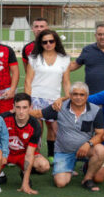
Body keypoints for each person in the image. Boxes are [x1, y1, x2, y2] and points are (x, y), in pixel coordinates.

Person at [31, 82, 104, 191]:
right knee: (60, 183)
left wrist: (88, 144)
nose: (78, 97)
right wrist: (20, 112)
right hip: (64, 151)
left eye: (82, 95)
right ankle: (68, 166)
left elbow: (100, 134)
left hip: (86, 150)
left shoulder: (95, 110)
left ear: (87, 96)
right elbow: (38, 114)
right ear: (70, 95)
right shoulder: (59, 107)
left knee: (101, 153)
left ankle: (87, 179)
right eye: (75, 94)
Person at [24, 29, 71, 160]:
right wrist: (28, 102)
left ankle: (51, 156)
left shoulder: (64, 59)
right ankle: (36, 156)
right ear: (40, 43)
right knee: (36, 130)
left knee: (54, 129)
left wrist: (65, 98)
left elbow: (66, 82)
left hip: (55, 100)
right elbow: (28, 81)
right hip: (36, 98)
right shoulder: (34, 58)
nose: (48, 44)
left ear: (56, 41)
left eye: (51, 41)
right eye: (45, 42)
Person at [3, 93, 50, 195]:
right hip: (5, 154)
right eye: (18, 107)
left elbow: (29, 154)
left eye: (24, 108)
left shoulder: (35, 125)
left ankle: (24, 173)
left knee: (44, 166)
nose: (21, 111)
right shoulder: (4, 118)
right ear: (13, 107)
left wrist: (25, 183)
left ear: (30, 108)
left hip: (23, 155)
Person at [68, 23, 104, 94]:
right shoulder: (87, 50)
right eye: (99, 34)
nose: (102, 37)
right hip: (91, 96)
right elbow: (74, 65)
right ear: (95, 35)